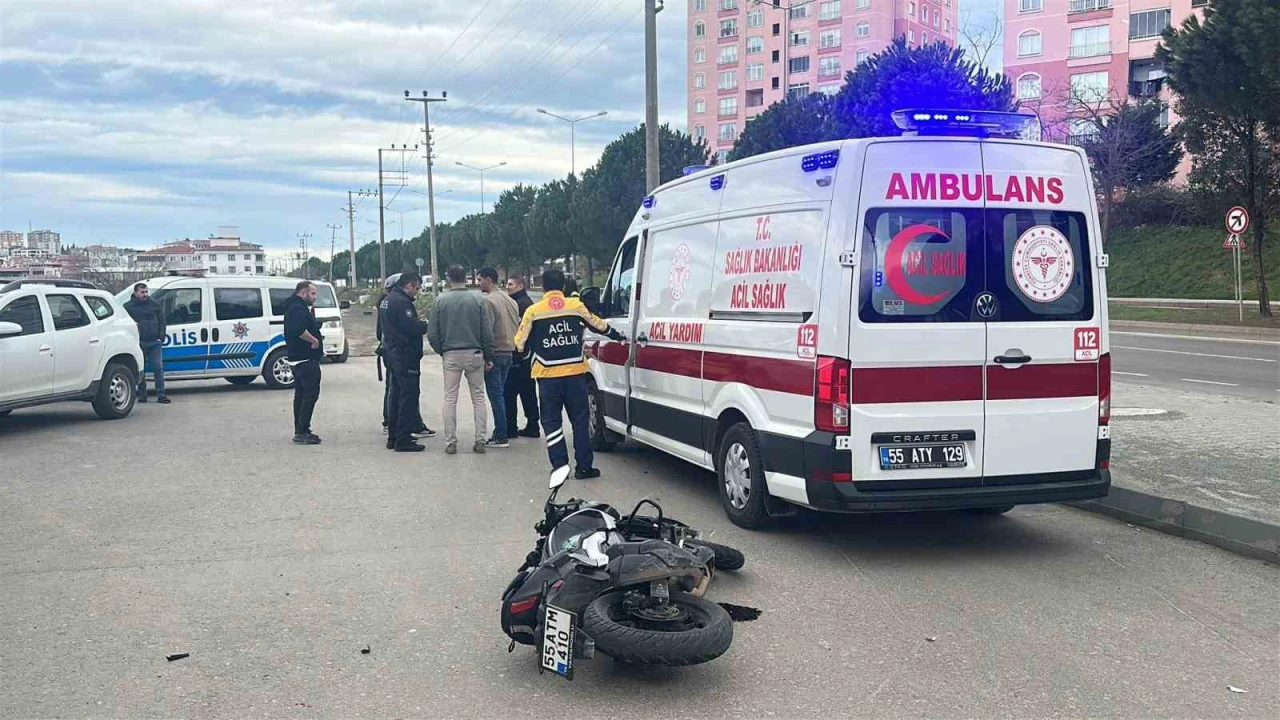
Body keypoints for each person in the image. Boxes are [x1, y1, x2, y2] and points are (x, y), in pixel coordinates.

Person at [514, 268, 625, 479]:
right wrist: (619, 336)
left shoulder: (534, 311)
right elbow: (599, 325)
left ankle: (559, 467)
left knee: (552, 423)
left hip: (547, 376)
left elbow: (519, 343)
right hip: (575, 374)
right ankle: (584, 467)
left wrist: (528, 352)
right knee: (580, 421)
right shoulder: (575, 306)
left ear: (543, 287)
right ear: (563, 286)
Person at [428, 265, 495, 455]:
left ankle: (451, 442)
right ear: (465, 278)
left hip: (451, 353)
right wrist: (489, 355)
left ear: (449, 279)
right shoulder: (478, 300)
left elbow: (433, 333)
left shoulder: (440, 301)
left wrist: (441, 350)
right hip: (475, 353)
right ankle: (480, 439)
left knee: (450, 398)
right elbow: (486, 331)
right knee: (478, 397)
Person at [376, 273, 434, 439]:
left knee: (395, 394)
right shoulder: (402, 303)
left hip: (393, 353)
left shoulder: (387, 300)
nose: (417, 292)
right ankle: (403, 437)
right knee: (408, 396)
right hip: (404, 354)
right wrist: (427, 324)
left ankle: (394, 435)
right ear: (408, 285)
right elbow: (412, 327)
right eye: (417, 288)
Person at [478, 267, 520, 449]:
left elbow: (486, 330)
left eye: (480, 279)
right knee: (501, 393)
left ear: (488, 280)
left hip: (495, 352)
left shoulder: (489, 301)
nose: (478, 283)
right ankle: (502, 431)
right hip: (509, 351)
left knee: (496, 396)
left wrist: (486, 356)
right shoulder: (511, 300)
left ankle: (501, 435)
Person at [282, 280, 324, 444]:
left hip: (299, 358)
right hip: (304, 358)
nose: (315, 297)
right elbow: (298, 329)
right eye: (312, 294)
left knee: (301, 395)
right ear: (303, 293)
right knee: (309, 395)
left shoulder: (295, 307)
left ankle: (300, 429)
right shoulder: (297, 308)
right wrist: (314, 340)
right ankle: (302, 430)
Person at [504, 274, 539, 438]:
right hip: (526, 354)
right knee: (528, 392)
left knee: (510, 392)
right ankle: (532, 425)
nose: (507, 287)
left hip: (520, 354)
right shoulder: (524, 302)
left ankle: (511, 427)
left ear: (520, 286)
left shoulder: (520, 304)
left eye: (510, 284)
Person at [122, 282, 169, 404]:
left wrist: (161, 335)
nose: (145, 294)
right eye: (142, 292)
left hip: (154, 342)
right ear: (136, 292)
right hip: (139, 343)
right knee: (140, 369)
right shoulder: (127, 307)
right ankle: (142, 395)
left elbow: (162, 320)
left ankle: (161, 395)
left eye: (146, 292)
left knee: (158, 368)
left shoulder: (154, 304)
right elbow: (123, 324)